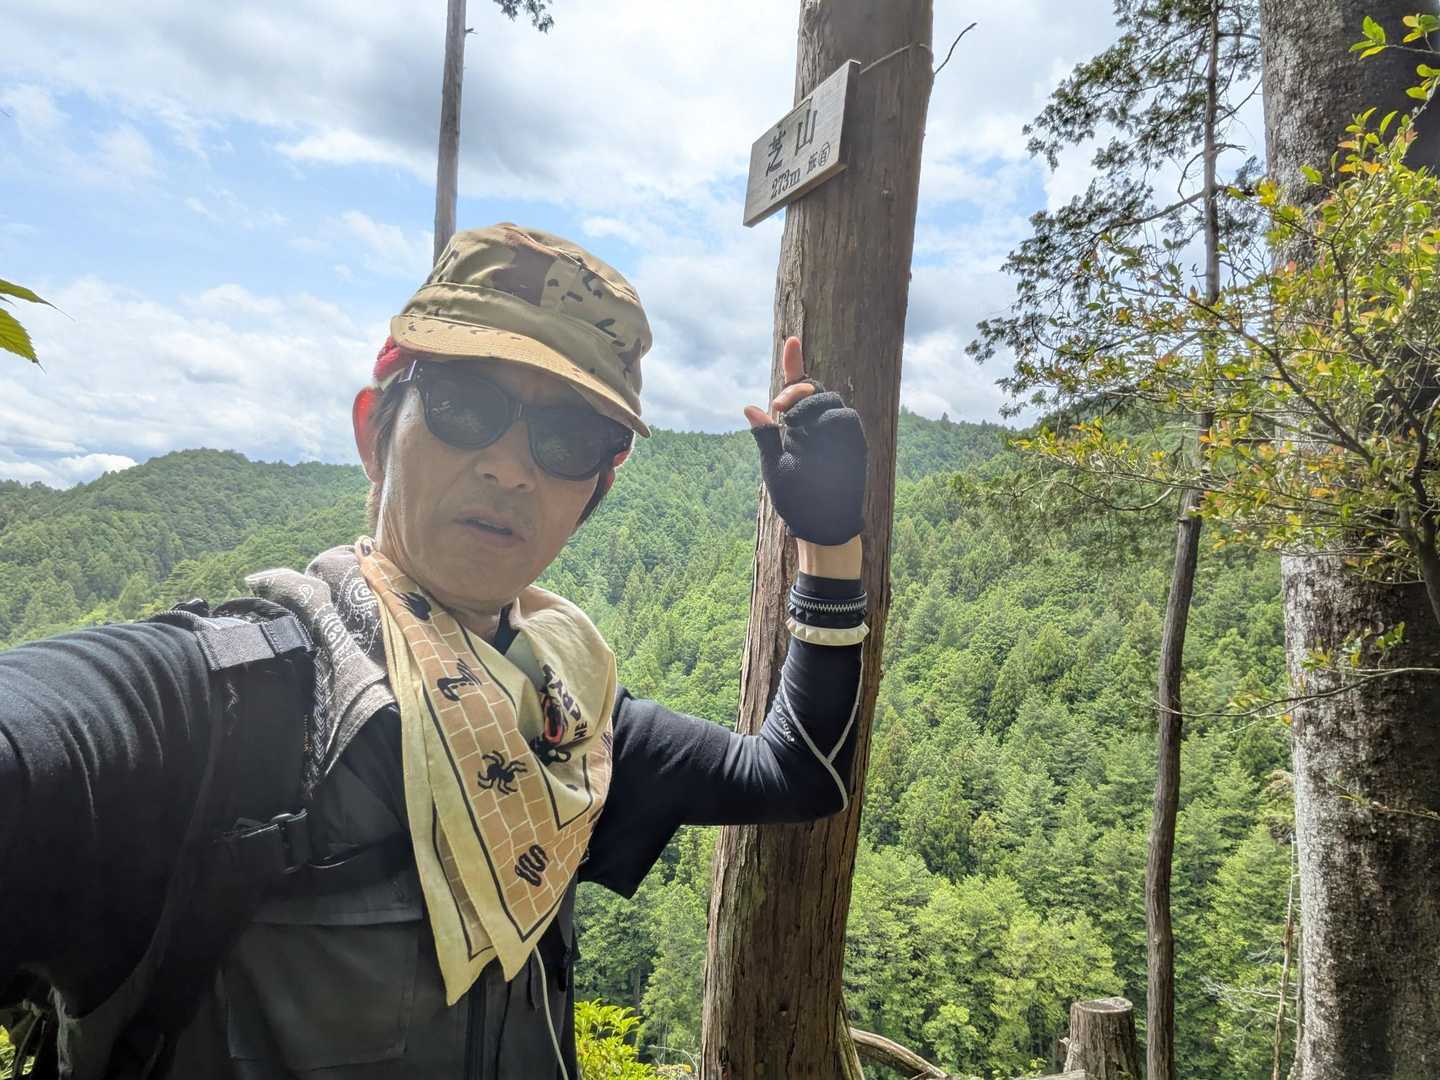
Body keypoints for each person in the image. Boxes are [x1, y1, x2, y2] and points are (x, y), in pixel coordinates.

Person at [0, 223, 870, 1079]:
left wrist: (829, 545)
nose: (510, 467)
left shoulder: (567, 722)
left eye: (565, 439)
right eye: (464, 405)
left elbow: (796, 774)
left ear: (593, 494)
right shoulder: (219, 712)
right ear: (375, 431)